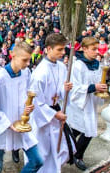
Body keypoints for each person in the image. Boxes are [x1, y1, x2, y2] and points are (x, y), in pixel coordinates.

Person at [0, 41, 43, 173]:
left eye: (29, 60)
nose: (28, 64)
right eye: (25, 60)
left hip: (21, 122)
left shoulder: (26, 73)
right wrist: (8, 124)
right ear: (13, 55)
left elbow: (28, 94)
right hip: (3, 126)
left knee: (37, 160)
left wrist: (29, 106)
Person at [29, 33, 74, 173]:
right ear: (48, 49)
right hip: (44, 117)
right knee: (44, 151)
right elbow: (36, 102)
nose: (63, 52)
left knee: (59, 149)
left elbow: (58, 91)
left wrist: (64, 89)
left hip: (56, 111)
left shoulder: (61, 67)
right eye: (59, 49)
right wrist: (55, 115)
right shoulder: (40, 73)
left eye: (64, 49)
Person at [66, 37, 107, 171]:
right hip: (78, 104)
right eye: (94, 49)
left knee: (89, 130)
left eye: (98, 49)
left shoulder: (97, 64)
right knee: (76, 130)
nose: (97, 52)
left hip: (90, 103)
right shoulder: (77, 65)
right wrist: (92, 87)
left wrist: (102, 87)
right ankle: (68, 152)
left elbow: (99, 80)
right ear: (84, 49)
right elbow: (75, 87)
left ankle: (78, 155)